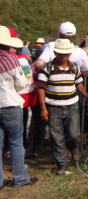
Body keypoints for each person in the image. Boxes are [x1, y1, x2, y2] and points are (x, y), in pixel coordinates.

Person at [36, 38, 88, 176]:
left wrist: (87, 97)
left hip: (72, 105)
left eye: (66, 53)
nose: (64, 56)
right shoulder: (47, 69)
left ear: (69, 53)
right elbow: (40, 88)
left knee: (74, 134)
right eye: (61, 53)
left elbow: (79, 84)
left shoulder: (74, 67)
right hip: (53, 107)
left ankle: (74, 148)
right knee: (57, 137)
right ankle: (62, 165)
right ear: (55, 53)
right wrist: (43, 108)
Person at [0, 26, 37, 187]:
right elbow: (22, 84)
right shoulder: (11, 59)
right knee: (16, 142)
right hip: (10, 104)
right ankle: (20, 178)